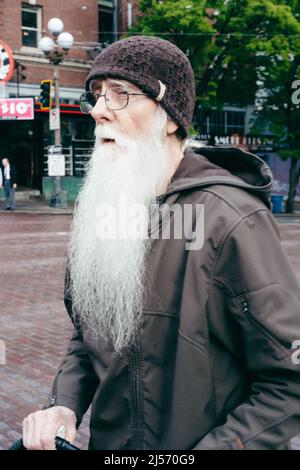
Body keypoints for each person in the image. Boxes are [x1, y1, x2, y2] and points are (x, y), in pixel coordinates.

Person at [22, 36, 300, 450]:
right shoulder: (105, 212)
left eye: (120, 95)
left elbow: (287, 382)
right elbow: (89, 336)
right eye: (97, 96)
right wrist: (63, 404)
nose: (99, 111)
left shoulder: (231, 217)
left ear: (170, 117)